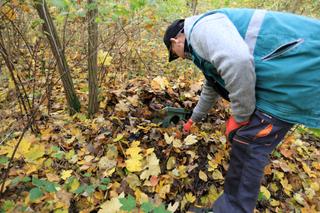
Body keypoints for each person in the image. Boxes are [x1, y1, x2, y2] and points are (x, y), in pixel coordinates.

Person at [163, 8, 320, 213]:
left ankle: (230, 209)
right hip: (287, 80)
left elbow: (237, 61)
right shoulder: (202, 46)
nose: (181, 58)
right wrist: (194, 119)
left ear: (175, 42)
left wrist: (240, 117)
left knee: (249, 143)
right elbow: (211, 86)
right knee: (247, 141)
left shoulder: (201, 29)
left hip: (297, 72)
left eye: (175, 55)